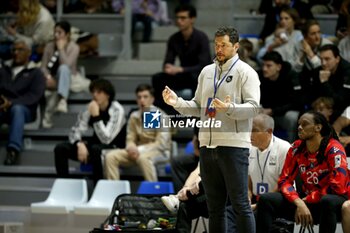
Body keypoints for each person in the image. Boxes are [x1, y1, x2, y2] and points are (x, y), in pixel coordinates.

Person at [162, 26, 260, 233]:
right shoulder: (207, 71)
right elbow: (198, 107)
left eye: (223, 45)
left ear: (235, 46)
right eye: (216, 45)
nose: (219, 49)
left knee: (240, 204)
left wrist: (230, 108)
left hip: (233, 145)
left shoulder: (246, 72)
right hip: (207, 145)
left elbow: (253, 108)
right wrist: (176, 102)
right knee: (214, 208)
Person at [256, 111, 349, 233]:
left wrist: (306, 200)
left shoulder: (334, 149)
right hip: (305, 200)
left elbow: (337, 187)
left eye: (305, 124)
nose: (299, 127)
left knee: (328, 201)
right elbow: (284, 181)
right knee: (266, 200)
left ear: (318, 127)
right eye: (299, 124)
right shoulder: (296, 148)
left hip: (333, 201)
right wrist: (298, 202)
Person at [54, 79, 126, 184]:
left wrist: (96, 116)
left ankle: (98, 189)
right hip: (94, 147)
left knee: (95, 149)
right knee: (61, 148)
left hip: (114, 147)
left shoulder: (117, 110)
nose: (95, 95)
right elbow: (75, 131)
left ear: (108, 95)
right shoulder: (90, 107)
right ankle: (64, 185)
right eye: (93, 92)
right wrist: (79, 144)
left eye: (99, 92)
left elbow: (106, 139)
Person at [152, 3, 211, 114]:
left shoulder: (201, 38)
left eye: (183, 18)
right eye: (177, 18)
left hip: (199, 76)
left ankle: (197, 125)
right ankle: (168, 116)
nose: (179, 21)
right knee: (158, 79)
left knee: (197, 80)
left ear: (192, 19)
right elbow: (168, 62)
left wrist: (180, 69)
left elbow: (204, 65)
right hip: (184, 76)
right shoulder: (174, 39)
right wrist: (168, 68)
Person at [104, 84, 171, 181]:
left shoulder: (161, 116)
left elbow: (161, 144)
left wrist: (139, 150)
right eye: (139, 97)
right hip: (137, 152)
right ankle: (115, 191)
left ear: (152, 99)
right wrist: (131, 147)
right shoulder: (134, 116)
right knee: (110, 156)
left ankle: (154, 193)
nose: (142, 100)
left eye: (145, 97)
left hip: (159, 152)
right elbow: (130, 138)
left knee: (143, 158)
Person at [0, 39, 45, 165]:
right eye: (14, 50)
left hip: (26, 110)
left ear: (29, 53)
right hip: (3, 107)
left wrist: (11, 102)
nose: (16, 52)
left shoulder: (36, 72)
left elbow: (34, 96)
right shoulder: (4, 70)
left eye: (20, 50)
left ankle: (13, 150)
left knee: (17, 109)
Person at [41, 21, 82, 128]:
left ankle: (62, 99)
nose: (56, 35)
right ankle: (47, 120)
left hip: (69, 78)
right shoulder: (49, 46)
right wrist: (48, 77)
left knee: (63, 68)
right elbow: (43, 67)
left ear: (67, 34)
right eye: (55, 32)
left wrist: (61, 49)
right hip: (52, 79)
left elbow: (67, 65)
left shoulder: (74, 47)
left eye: (59, 32)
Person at [248, 114, 291, 210]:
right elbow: (248, 177)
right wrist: (248, 195)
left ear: (269, 131)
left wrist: (258, 205)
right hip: (257, 199)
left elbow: (283, 182)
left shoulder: (284, 147)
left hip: (279, 198)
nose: (250, 134)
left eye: (254, 130)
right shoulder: (249, 148)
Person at [259, 51, 302, 142]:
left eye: (269, 66)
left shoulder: (291, 76)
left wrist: (273, 111)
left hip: (283, 113)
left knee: (292, 117)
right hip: (266, 112)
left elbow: (297, 102)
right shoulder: (259, 76)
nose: (264, 69)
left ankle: (292, 147)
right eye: (263, 65)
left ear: (278, 67)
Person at [300, 44, 350, 120]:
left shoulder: (347, 73)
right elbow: (311, 94)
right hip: (323, 106)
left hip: (343, 109)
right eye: (321, 59)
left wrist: (325, 82)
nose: (323, 63)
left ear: (337, 59)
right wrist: (318, 104)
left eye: (327, 59)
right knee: (303, 114)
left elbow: (341, 101)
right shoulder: (319, 70)